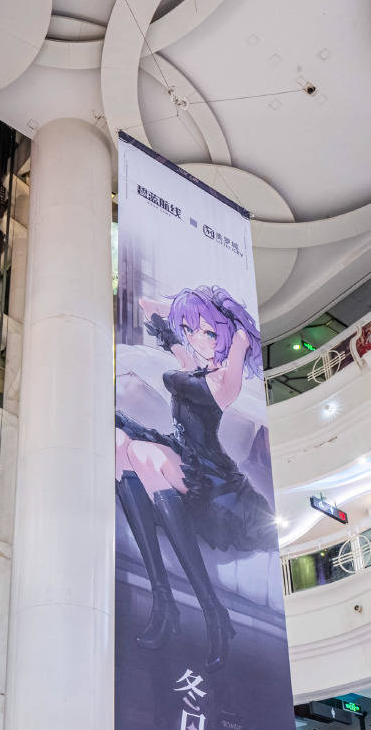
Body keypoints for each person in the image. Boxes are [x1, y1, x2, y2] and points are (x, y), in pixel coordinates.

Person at [115, 286, 269, 667]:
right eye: (190, 330)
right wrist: (189, 309)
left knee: (142, 456)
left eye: (208, 332)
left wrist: (227, 324)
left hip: (214, 483)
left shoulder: (227, 380)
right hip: (182, 455)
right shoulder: (190, 363)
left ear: (225, 335)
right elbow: (147, 305)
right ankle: (164, 601)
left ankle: (211, 610)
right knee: (119, 442)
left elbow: (241, 335)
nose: (198, 338)